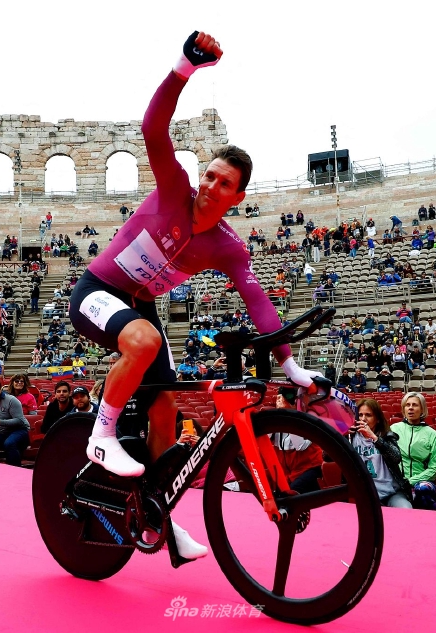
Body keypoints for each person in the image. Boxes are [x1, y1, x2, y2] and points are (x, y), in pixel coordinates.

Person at [67, 34, 318, 483]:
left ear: (237, 197)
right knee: (144, 340)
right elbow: (152, 129)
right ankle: (101, 436)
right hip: (97, 291)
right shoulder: (173, 190)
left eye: (225, 184)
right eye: (209, 176)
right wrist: (185, 67)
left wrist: (290, 365)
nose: (210, 187)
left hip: (140, 306)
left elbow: (257, 300)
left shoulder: (228, 246)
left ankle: (156, 500)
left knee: (165, 404)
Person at [350, 398, 412, 508]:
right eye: (360, 415)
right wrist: (339, 435)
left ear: (377, 419)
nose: (363, 419)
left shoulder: (386, 436)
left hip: (391, 492)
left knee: (406, 508)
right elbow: (327, 457)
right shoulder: (351, 436)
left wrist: (375, 438)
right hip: (365, 493)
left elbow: (396, 457)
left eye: (368, 415)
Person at [390, 393, 436, 510]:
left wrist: (411, 481)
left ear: (422, 409)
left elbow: (434, 467)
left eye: (415, 405)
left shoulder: (431, 433)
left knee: (423, 489)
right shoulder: (394, 429)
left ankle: (429, 518)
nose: (410, 408)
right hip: (397, 481)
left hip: (422, 480)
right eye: (407, 405)